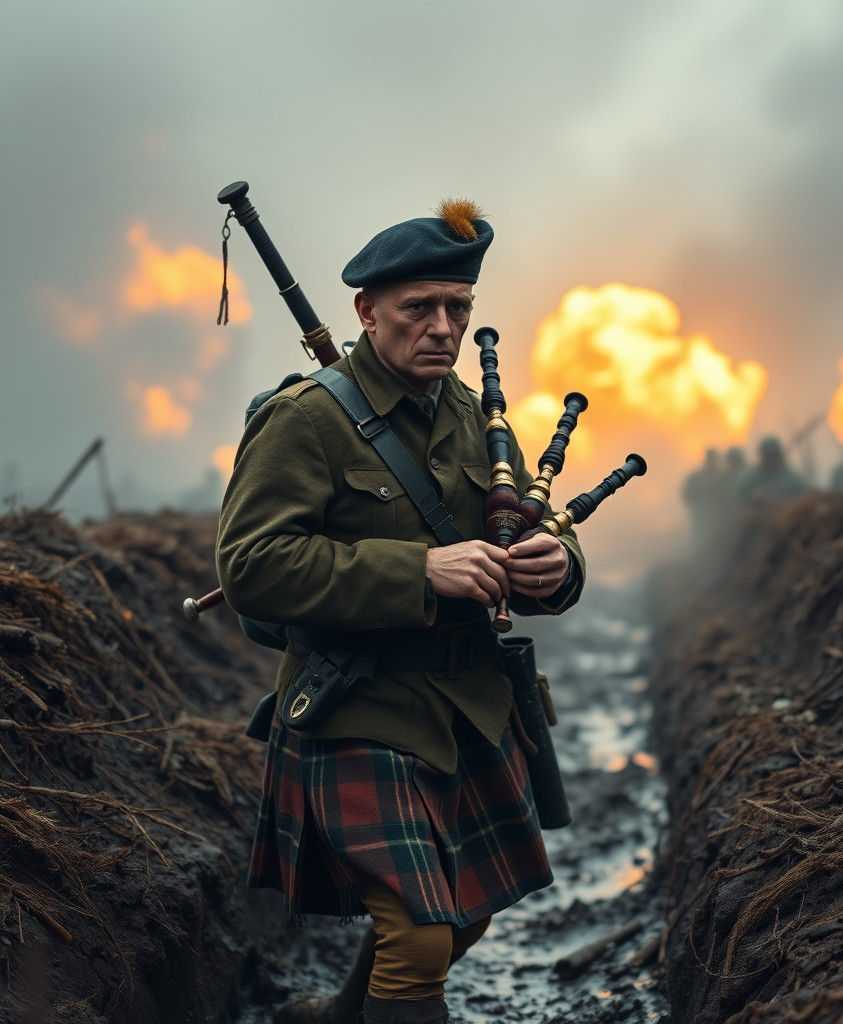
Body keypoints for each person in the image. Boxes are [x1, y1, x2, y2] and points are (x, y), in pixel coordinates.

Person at [216, 198, 586, 1024]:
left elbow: (529, 524)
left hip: (467, 707)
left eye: (459, 308)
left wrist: (555, 568)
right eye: (419, 308)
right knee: (419, 939)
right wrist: (420, 570)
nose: (443, 328)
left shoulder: (471, 416)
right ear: (366, 312)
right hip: (357, 704)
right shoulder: (304, 420)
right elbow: (249, 567)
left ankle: (338, 1018)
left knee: (467, 910)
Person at [735, 436, 807, 503]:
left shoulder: (792, 479)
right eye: (768, 456)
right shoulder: (752, 478)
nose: (771, 459)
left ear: (779, 455)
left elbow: (804, 495)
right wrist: (753, 497)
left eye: (773, 455)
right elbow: (740, 495)